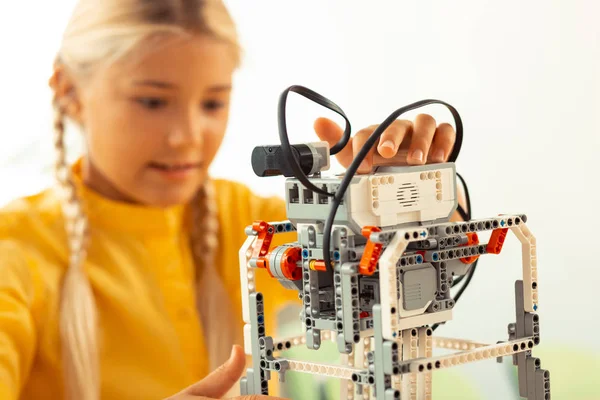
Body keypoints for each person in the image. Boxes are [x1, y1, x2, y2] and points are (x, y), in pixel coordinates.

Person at [0, 1, 464, 399]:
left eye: (212, 104)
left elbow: (437, 262)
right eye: (152, 102)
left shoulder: (245, 219)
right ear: (69, 93)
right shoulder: (15, 252)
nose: (187, 138)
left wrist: (411, 192)